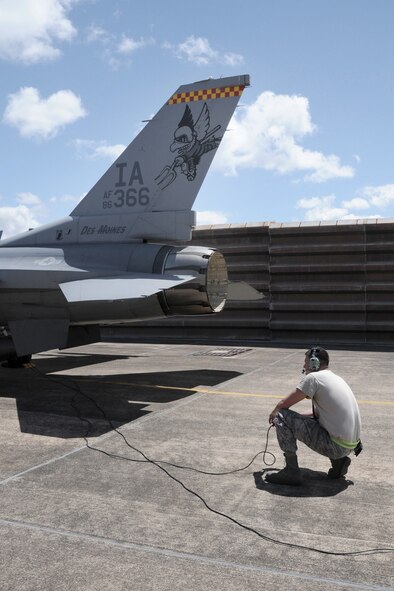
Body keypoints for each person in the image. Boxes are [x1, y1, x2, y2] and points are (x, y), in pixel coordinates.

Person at [266, 347, 362, 486]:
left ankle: (291, 471)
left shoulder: (314, 378)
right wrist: (295, 421)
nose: (304, 366)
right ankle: (339, 463)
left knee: (281, 415)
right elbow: (317, 413)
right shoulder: (335, 378)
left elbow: (283, 404)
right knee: (291, 418)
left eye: (306, 362)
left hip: (335, 447)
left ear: (314, 362)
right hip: (349, 446)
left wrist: (276, 413)